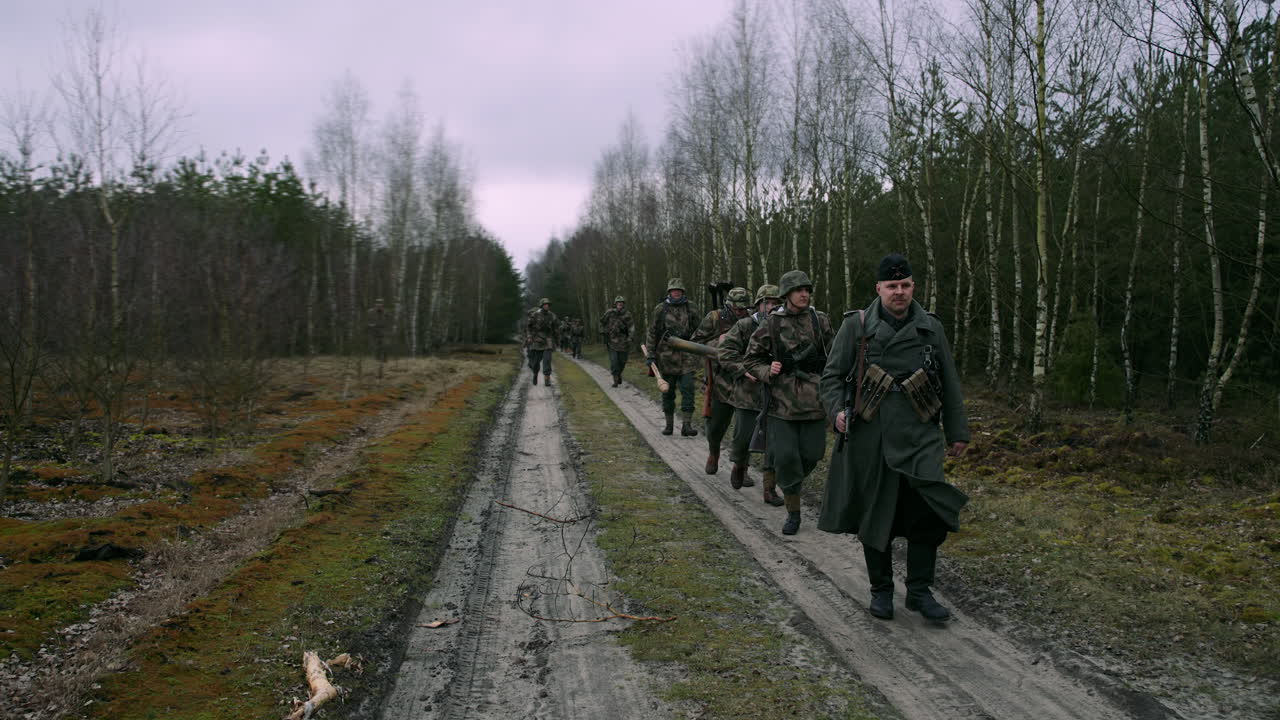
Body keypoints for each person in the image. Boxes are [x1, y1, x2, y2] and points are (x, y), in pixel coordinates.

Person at [818, 253, 970, 623]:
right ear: (879, 289)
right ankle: (881, 590)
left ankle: (919, 591)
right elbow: (832, 377)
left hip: (921, 434)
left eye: (905, 285)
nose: (899, 292)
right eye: (892, 286)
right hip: (874, 437)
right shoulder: (857, 326)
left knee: (926, 512)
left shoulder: (931, 328)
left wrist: (957, 431)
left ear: (913, 286)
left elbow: (948, 381)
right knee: (877, 515)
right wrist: (837, 411)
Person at [745, 270, 835, 535]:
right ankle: (793, 511)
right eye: (799, 290)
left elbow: (836, 355)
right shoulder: (771, 323)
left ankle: (789, 485)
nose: (804, 294)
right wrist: (766, 370)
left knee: (813, 454)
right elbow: (751, 359)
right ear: (787, 294)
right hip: (781, 404)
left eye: (807, 289)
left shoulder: (820, 321)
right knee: (785, 458)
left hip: (815, 402)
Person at [718, 284, 784, 505]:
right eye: (768, 303)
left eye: (777, 303)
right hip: (748, 392)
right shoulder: (745, 325)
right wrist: (744, 371)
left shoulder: (785, 325)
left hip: (777, 395)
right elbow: (725, 353)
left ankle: (769, 488)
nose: (772, 307)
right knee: (743, 437)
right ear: (758, 305)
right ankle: (739, 464)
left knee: (773, 442)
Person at [692, 287, 751, 474]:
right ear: (729, 305)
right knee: (715, 427)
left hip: (745, 380)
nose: (741, 312)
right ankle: (713, 453)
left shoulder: (753, 320)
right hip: (719, 380)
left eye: (744, 309)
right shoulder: (714, 318)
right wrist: (719, 341)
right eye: (737, 309)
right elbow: (696, 342)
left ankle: (741, 466)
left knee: (745, 430)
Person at [645, 278, 701, 437]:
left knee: (688, 389)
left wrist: (701, 349)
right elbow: (652, 333)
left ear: (683, 292)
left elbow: (701, 330)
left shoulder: (691, 308)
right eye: (673, 290)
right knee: (667, 392)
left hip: (687, 356)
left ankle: (687, 425)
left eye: (679, 290)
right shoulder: (660, 309)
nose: (676, 292)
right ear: (669, 292)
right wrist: (651, 355)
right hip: (666, 357)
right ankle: (669, 425)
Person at [598, 296, 634, 387]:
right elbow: (601, 322)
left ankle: (618, 374)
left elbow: (631, 327)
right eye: (618, 302)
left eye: (621, 302)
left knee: (622, 361)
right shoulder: (609, 313)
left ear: (624, 304)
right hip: (612, 341)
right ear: (615, 304)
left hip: (623, 342)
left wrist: (630, 337)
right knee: (614, 362)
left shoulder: (627, 314)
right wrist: (602, 331)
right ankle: (615, 379)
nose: (620, 304)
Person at [525, 297, 559, 386]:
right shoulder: (535, 315)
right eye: (545, 304)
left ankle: (547, 378)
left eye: (548, 305)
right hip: (537, 340)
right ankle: (535, 373)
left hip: (548, 340)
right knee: (536, 363)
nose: (547, 306)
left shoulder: (552, 316)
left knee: (547, 360)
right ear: (541, 305)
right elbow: (528, 327)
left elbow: (555, 329)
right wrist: (529, 336)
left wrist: (557, 340)